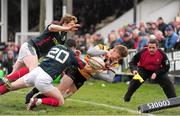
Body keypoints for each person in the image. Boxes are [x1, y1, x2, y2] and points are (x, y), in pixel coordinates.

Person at [25, 44, 129, 106]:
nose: (117, 59)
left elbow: (110, 79)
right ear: (114, 50)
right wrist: (104, 52)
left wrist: (97, 71)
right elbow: (90, 52)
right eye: (118, 56)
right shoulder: (102, 47)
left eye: (119, 59)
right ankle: (35, 96)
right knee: (59, 92)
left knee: (63, 96)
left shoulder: (114, 63)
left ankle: (38, 98)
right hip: (76, 69)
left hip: (84, 77)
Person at [0, 39, 88, 110]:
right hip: (44, 78)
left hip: (36, 71)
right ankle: (37, 101)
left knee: (10, 86)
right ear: (73, 47)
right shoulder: (72, 54)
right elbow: (84, 66)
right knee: (61, 101)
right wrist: (77, 56)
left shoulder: (56, 46)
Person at [0, 14, 80, 86]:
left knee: (12, 77)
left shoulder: (63, 37)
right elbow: (51, 27)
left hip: (34, 53)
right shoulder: (56, 25)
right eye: (71, 24)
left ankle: (2, 86)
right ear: (65, 22)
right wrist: (67, 28)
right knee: (34, 70)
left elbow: (59, 50)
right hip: (30, 47)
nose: (73, 27)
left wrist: (71, 53)